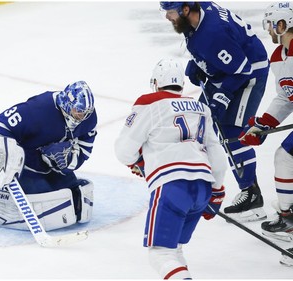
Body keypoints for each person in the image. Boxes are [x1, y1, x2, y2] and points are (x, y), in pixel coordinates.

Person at [114, 58, 228, 279]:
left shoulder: (151, 102)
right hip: (203, 186)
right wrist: (217, 190)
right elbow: (217, 156)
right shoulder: (201, 108)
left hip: (172, 186)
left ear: (156, 82)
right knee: (174, 249)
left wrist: (138, 162)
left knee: (161, 254)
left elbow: (124, 150)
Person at [159, 2, 270, 222]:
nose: (167, 17)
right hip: (229, 70)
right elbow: (218, 49)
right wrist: (200, 63)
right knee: (201, 120)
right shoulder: (199, 15)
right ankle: (199, 184)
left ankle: (252, 196)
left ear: (185, 10)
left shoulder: (212, 33)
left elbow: (242, 70)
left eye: (170, 12)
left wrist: (223, 96)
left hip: (248, 74)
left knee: (231, 132)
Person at [0, 80, 97, 232]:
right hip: (26, 166)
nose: (83, 116)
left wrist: (66, 161)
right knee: (42, 190)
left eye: (87, 112)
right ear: (67, 103)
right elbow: (1, 124)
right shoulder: (40, 108)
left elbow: (84, 150)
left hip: (49, 167)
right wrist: (9, 158)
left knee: (72, 186)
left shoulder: (89, 118)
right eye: (79, 111)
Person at [238, 2, 293, 266]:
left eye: (272, 24)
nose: (269, 29)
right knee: (285, 158)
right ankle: (288, 218)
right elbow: (286, 97)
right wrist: (264, 124)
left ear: (283, 24)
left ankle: (288, 220)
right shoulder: (278, 56)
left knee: (285, 157)